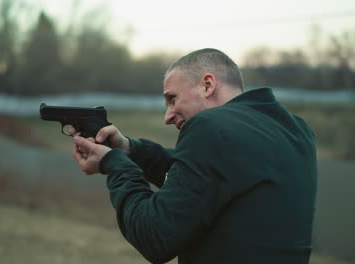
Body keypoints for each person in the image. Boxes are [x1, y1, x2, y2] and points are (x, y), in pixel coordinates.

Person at [72, 48, 317, 264]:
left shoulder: (209, 126)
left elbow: (154, 237)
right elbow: (201, 176)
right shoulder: (294, 129)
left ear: (207, 85)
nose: (167, 116)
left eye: (172, 99)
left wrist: (113, 164)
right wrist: (129, 150)